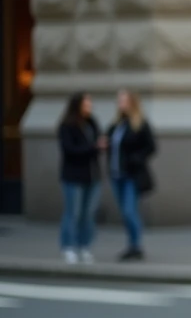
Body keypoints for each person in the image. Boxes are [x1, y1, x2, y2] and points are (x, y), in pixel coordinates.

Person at [106, 89, 157, 261]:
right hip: (116, 174)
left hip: (131, 175)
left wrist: (136, 158)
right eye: (119, 101)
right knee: (125, 211)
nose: (120, 104)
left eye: (123, 101)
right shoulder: (116, 125)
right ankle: (131, 244)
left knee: (129, 210)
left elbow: (151, 147)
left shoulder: (140, 123)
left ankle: (136, 245)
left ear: (132, 103)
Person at [58, 92, 104, 264]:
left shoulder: (92, 123)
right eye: (86, 104)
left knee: (89, 213)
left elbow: (97, 143)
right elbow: (70, 150)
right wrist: (93, 147)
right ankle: (68, 246)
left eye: (90, 104)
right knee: (73, 212)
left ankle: (84, 246)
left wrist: (99, 146)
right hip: (73, 176)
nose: (89, 107)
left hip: (92, 175)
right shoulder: (67, 125)